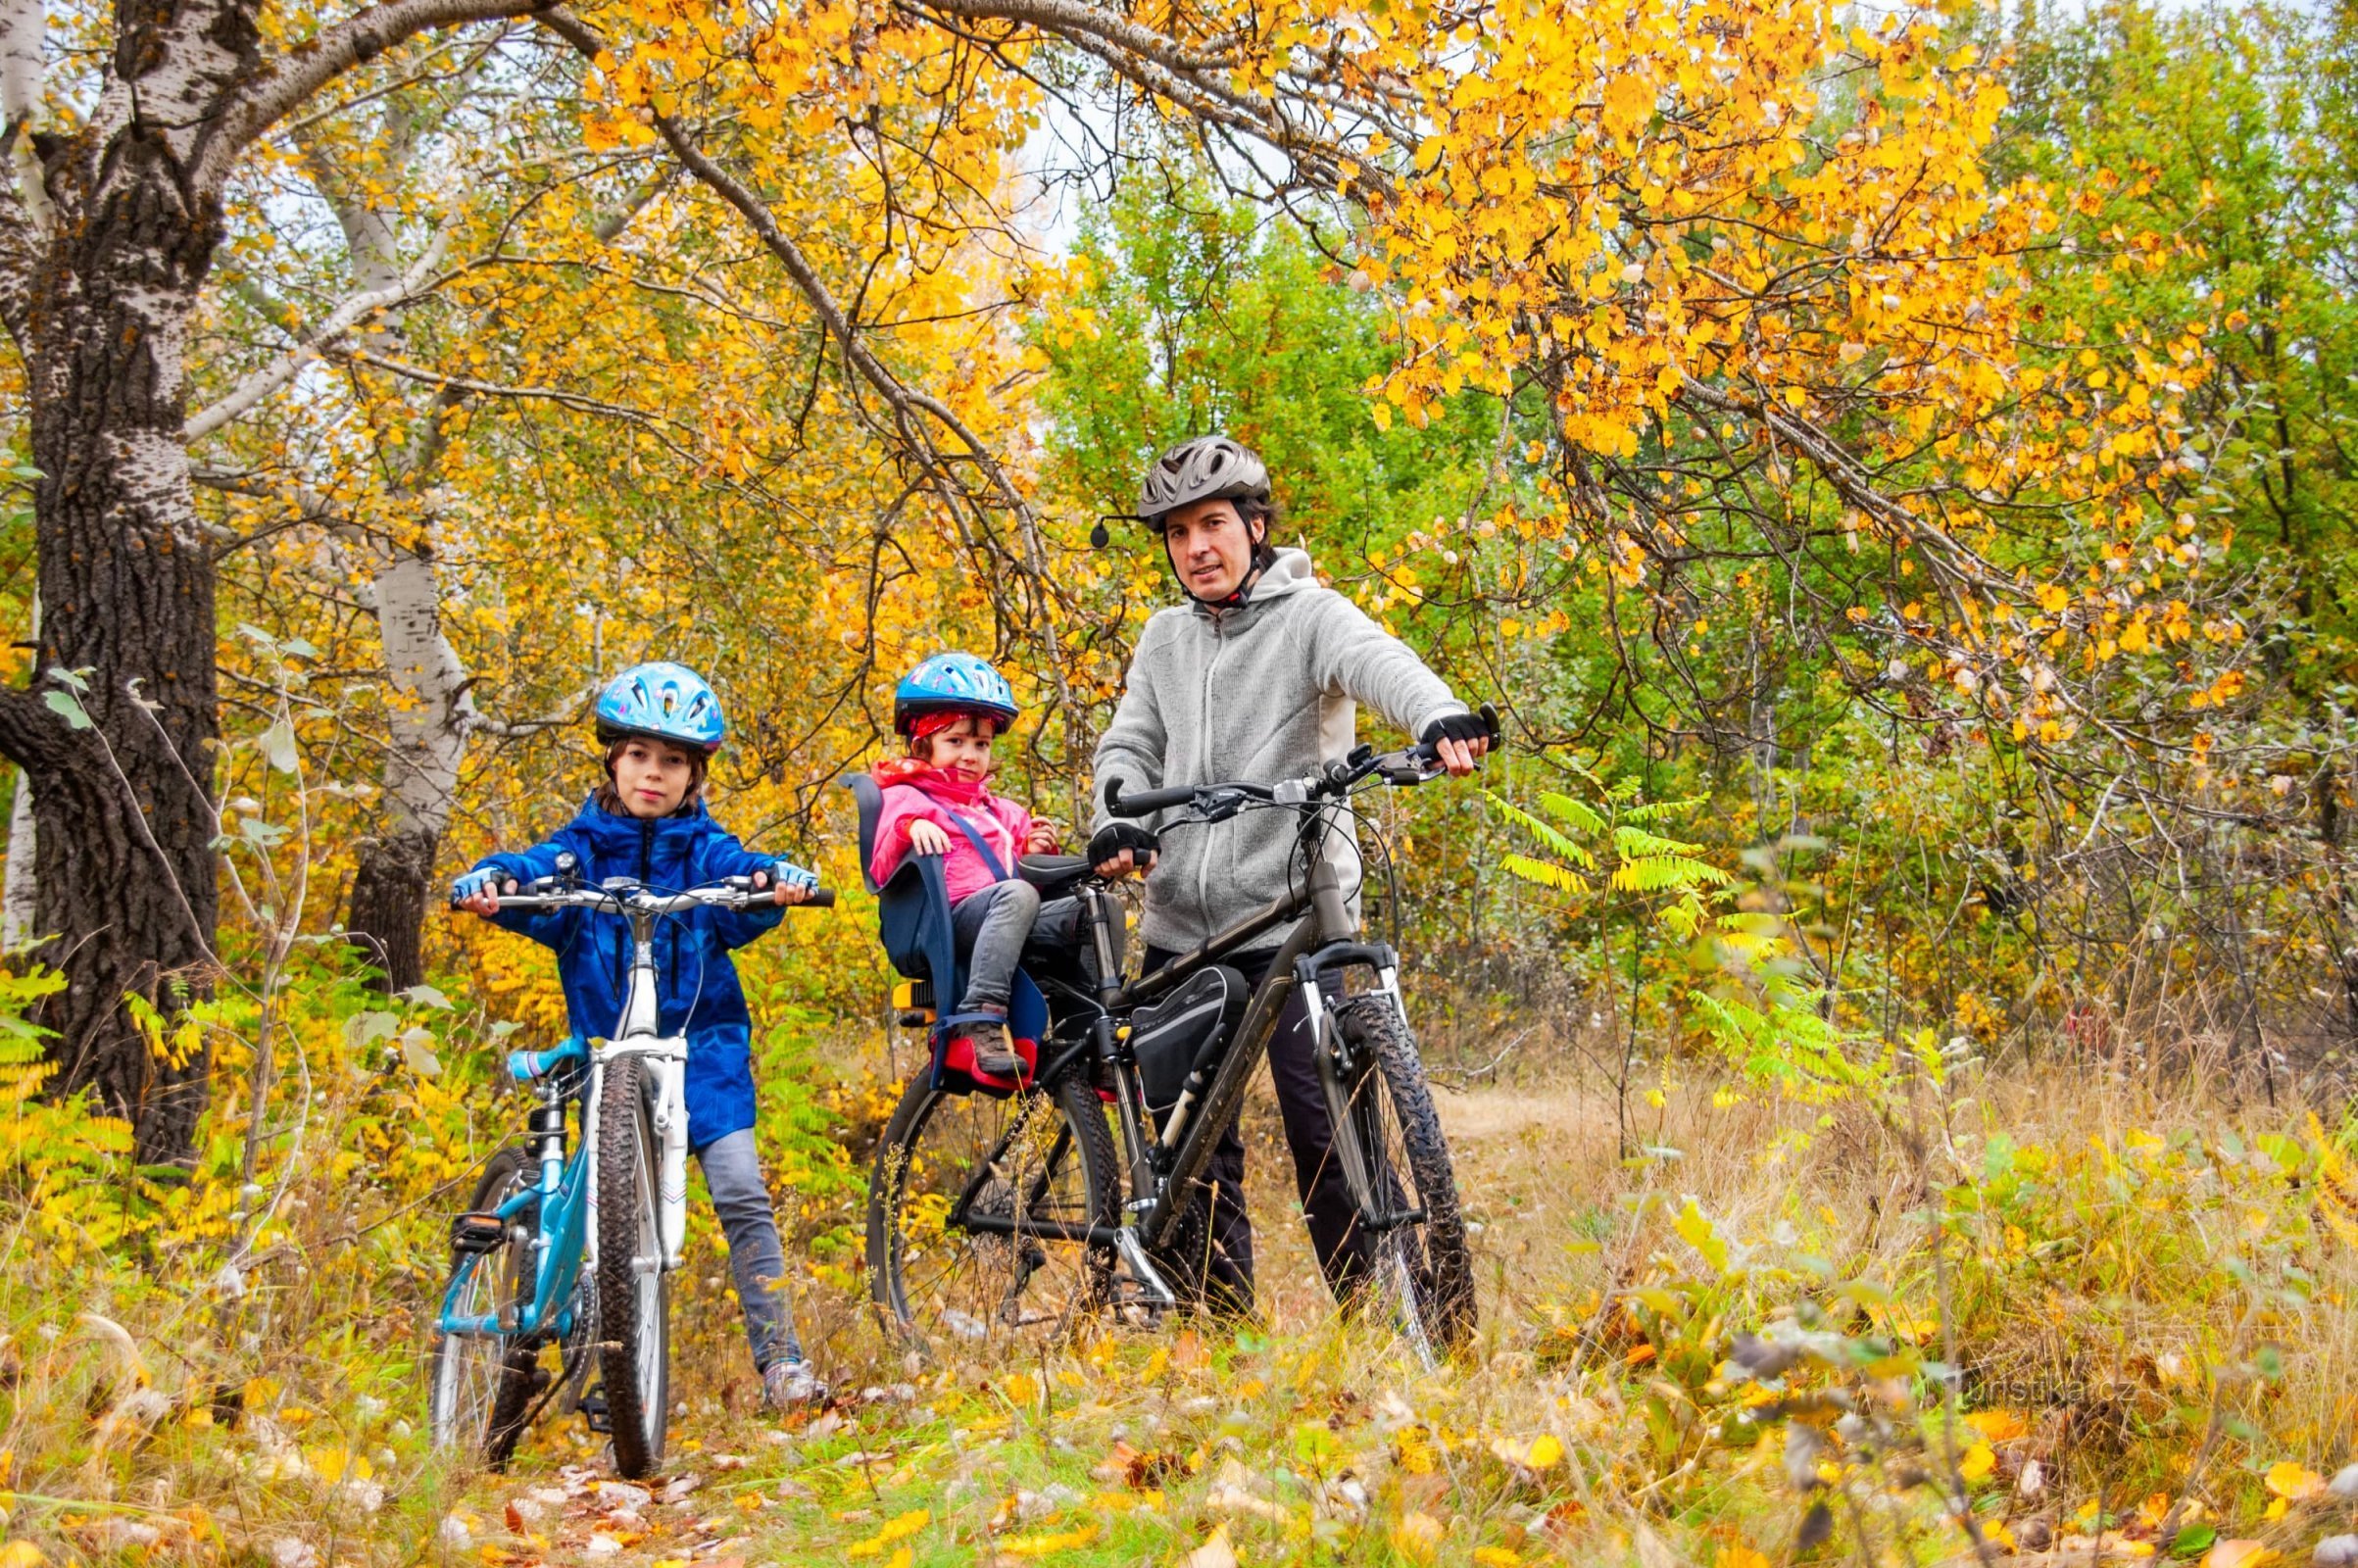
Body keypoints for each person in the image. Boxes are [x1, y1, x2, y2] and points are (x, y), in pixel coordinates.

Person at [1088, 435, 1492, 1313]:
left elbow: (1378, 662)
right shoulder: (1163, 639)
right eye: (1178, 532)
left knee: (1330, 1134)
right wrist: (1117, 818)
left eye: (1213, 524)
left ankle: (1382, 1325)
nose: (1197, 547)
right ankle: (1215, 1335)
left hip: (1292, 919)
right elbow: (1129, 745)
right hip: (1181, 925)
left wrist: (1440, 715)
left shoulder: (1310, 616)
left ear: (1255, 527)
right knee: (1191, 1152)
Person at [450, 661, 829, 1410]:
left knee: (741, 1190)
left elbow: (746, 874)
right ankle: (599, 1363)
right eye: (639, 755)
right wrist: (492, 880)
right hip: (609, 1056)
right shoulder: (580, 851)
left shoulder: (705, 852)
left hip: (706, 1054)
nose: (653, 773)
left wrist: (776, 882)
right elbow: (532, 870)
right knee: (603, 1213)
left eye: (673, 761)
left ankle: (782, 1362)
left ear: (694, 775)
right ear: (613, 761)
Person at [867, 652, 1072, 1078]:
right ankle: (980, 1017)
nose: (970, 755)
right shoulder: (906, 797)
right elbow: (880, 862)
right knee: (1016, 895)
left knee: (1090, 909)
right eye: (955, 741)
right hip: (947, 923)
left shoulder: (1002, 812)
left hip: (1006, 918)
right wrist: (910, 827)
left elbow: (1026, 878)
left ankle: (1083, 1034)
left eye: (981, 745)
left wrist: (1033, 850)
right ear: (923, 745)